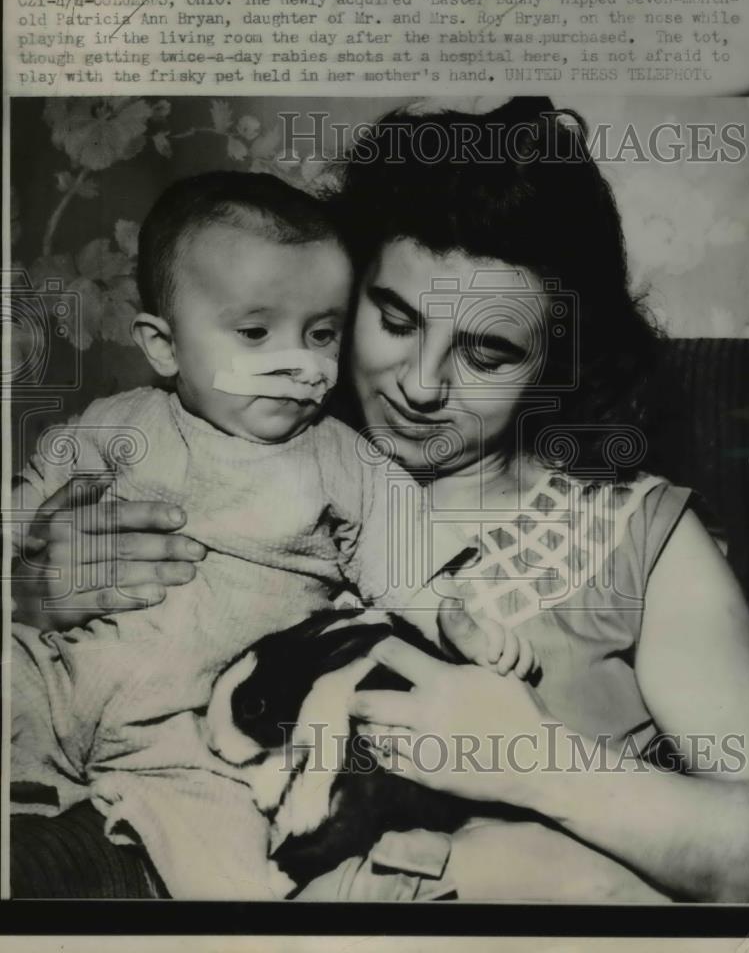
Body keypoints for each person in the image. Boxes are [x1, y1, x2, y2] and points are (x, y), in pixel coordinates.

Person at [11, 98, 749, 902]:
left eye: (488, 351)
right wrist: (34, 591)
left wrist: (541, 766)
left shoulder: (640, 536)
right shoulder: (227, 444)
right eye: (394, 318)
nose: (420, 385)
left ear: (558, 362)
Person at [9, 170, 519, 899]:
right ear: (163, 345)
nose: (300, 364)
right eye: (255, 333)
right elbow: (24, 533)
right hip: (56, 671)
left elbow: (405, 562)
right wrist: (23, 575)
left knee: (233, 872)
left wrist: (456, 618)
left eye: (322, 334)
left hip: (189, 734)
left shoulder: (341, 457)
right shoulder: (111, 427)